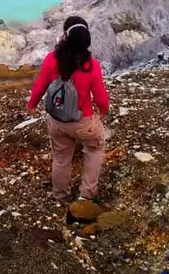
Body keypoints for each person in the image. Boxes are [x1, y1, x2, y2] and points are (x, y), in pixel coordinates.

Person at [27, 16, 110, 203]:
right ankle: (87, 194)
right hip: (83, 122)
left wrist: (32, 104)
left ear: (65, 36)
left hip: (57, 122)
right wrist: (104, 109)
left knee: (61, 158)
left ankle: (60, 195)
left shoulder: (51, 59)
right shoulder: (91, 65)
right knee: (95, 148)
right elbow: (100, 95)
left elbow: (40, 85)